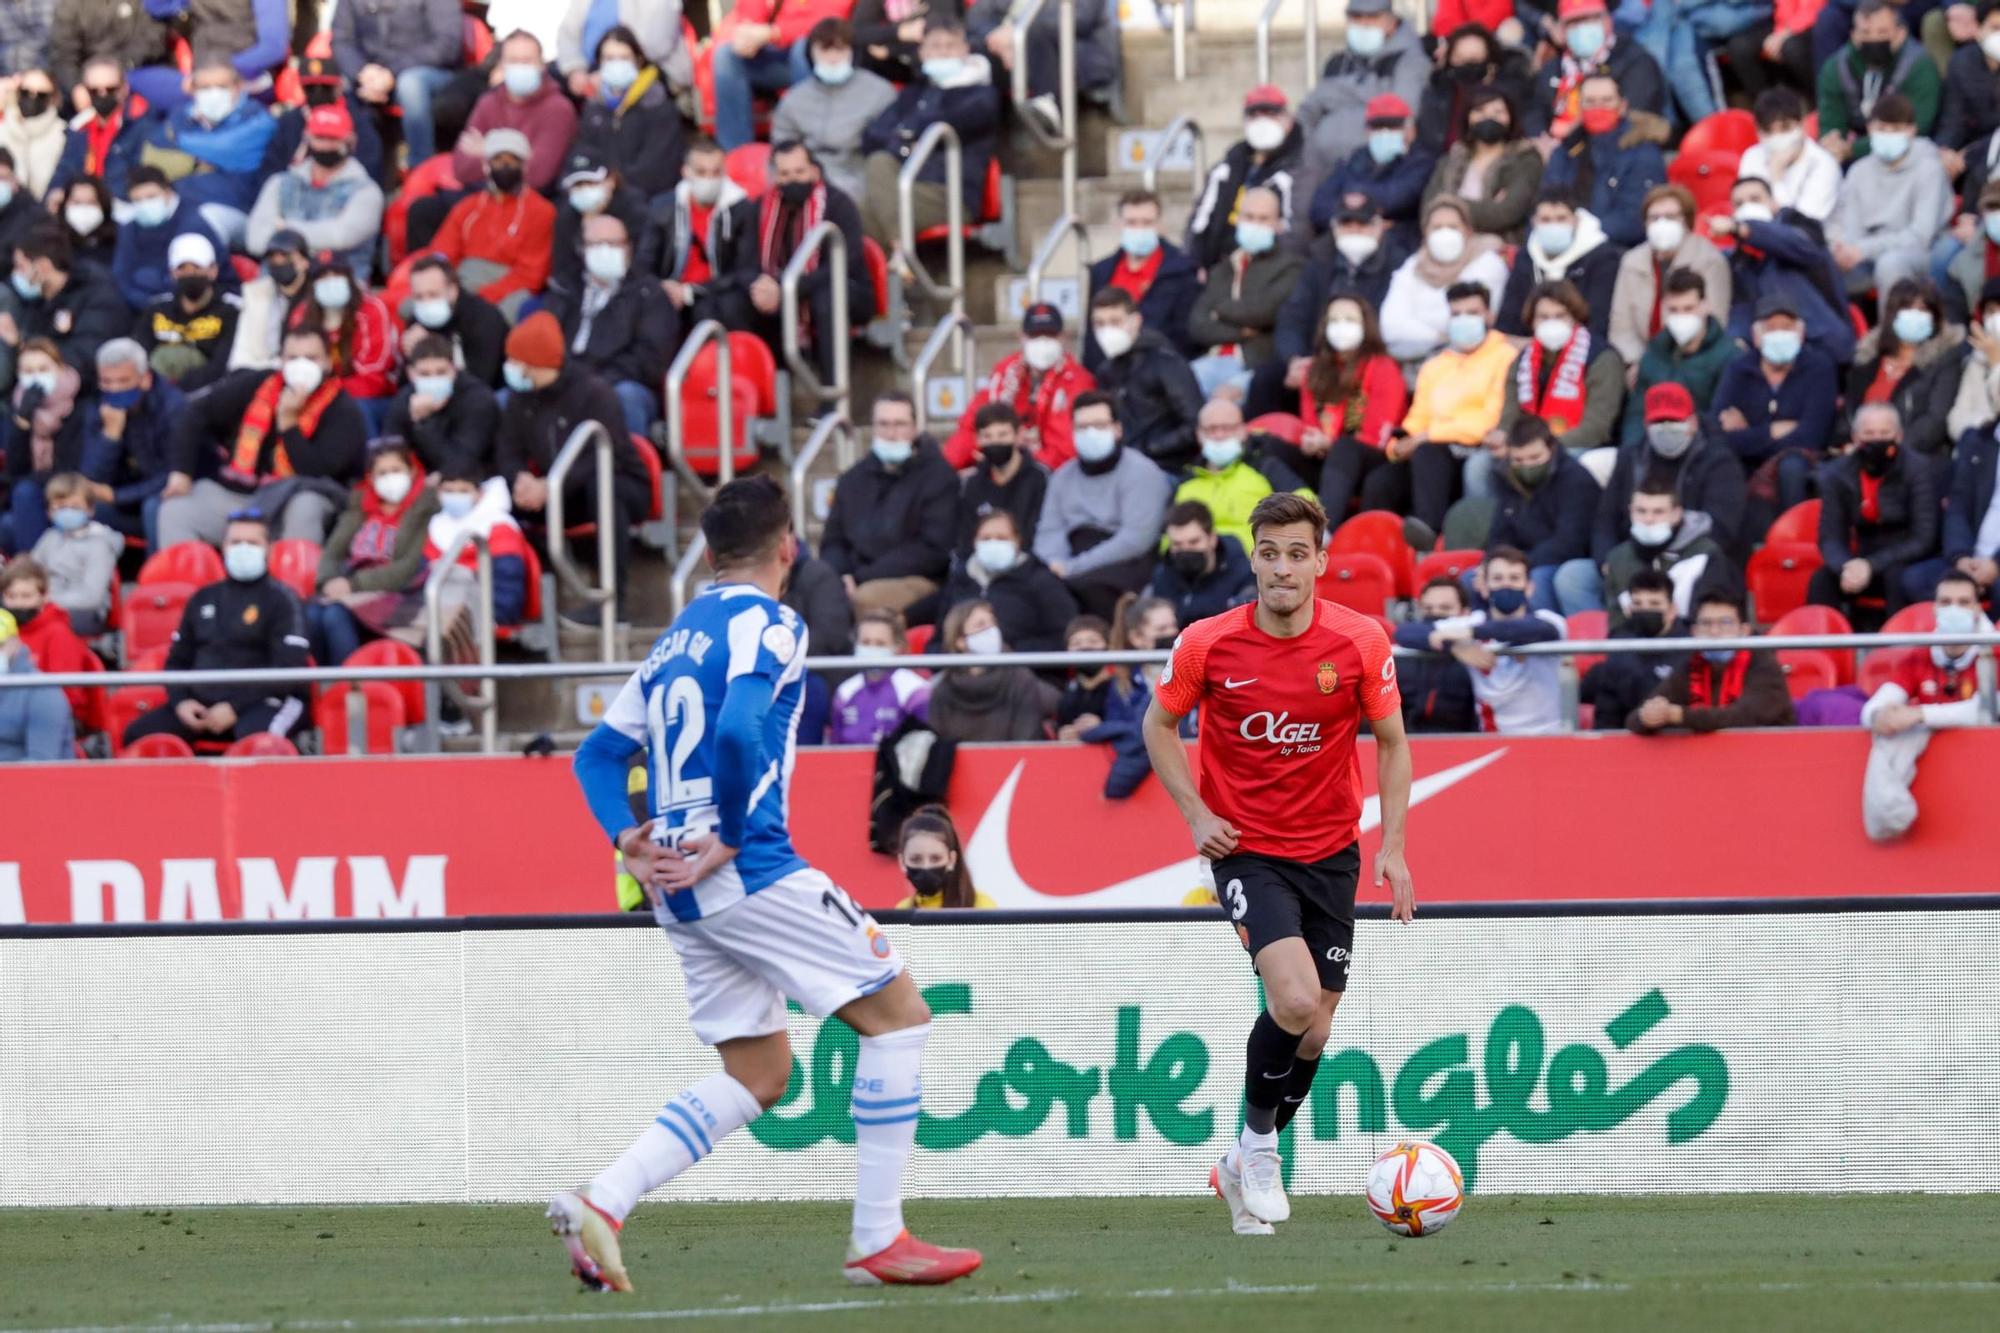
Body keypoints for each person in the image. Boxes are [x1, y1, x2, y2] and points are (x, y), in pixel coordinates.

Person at [561, 472, 982, 1287]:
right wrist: (731, 830)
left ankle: (604, 1200)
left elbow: (597, 756)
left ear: (710, 553)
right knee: (900, 1017)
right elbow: (739, 727)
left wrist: (627, 841)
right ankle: (877, 1238)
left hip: (675, 888)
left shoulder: (674, 637)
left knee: (759, 1074)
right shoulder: (774, 623)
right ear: (787, 547)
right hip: (749, 867)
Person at [1142, 491, 1414, 1236]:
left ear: (1322, 561)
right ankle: (1260, 1149)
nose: (1283, 568)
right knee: (1293, 1001)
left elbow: (1392, 741)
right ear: (1253, 558)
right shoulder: (1207, 643)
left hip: (1331, 851)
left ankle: (1234, 1162)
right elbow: (1158, 725)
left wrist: (1391, 843)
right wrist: (1198, 815)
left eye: (1299, 553)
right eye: (1270, 552)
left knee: (1316, 1029)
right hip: (1247, 849)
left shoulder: (1360, 642)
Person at [494, 312, 653, 607]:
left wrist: (551, 486)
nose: (510, 367)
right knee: (495, 497)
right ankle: (516, 603)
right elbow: (508, 449)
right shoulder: (520, 398)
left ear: (533, 364)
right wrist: (520, 480)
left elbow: (607, 455)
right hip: (553, 491)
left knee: (604, 489)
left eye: (515, 360)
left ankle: (612, 601)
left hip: (616, 485)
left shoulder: (595, 393)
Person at [158, 326, 369, 548]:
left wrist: (289, 425)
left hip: (299, 495)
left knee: (306, 507)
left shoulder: (344, 409)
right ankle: (191, 579)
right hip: (242, 493)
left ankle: (294, 579)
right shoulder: (258, 383)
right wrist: (180, 472)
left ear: (327, 361)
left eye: (311, 358)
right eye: (293, 358)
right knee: (176, 509)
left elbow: (316, 472)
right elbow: (195, 412)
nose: (301, 365)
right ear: (281, 361)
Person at [121, 511, 313, 748]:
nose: (243, 549)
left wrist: (234, 706)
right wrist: (182, 703)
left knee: (260, 744)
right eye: (236, 542)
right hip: (202, 704)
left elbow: (288, 671)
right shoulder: (203, 597)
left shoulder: (284, 599)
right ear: (224, 547)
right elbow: (177, 662)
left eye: (252, 543)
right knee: (137, 736)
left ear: (269, 549)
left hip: (268, 700)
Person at [409, 29, 577, 250]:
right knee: (424, 210)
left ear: (541, 65)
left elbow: (537, 176)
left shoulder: (558, 108)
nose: (520, 67)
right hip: (483, 193)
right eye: (513, 61)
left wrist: (487, 149)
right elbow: (462, 168)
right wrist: (513, 156)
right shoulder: (489, 101)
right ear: (502, 65)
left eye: (527, 60)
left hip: (529, 202)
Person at [1860, 570, 1990, 841]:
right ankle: (1890, 813)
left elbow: (1986, 712)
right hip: (1940, 789)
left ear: (1978, 609)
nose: (1954, 609)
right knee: (1887, 737)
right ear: (1934, 609)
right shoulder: (1919, 656)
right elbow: (1873, 708)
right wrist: (1881, 716)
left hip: (1987, 778)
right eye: (1946, 602)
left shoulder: (1995, 651)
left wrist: (1919, 714)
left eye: (1964, 603)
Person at [1381, 281, 1516, 532]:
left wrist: (1426, 436)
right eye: (1456, 314)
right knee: (1383, 477)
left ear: (1490, 315)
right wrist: (1398, 446)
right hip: (1431, 448)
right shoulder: (1435, 365)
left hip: (1475, 447)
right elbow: (1417, 417)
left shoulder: (1506, 357)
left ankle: (1429, 539)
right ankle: (1378, 550)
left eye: (1472, 313)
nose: (1463, 320)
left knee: (1428, 454)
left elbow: (1489, 421)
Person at [858, 20, 1002, 252]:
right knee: (858, 209)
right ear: (922, 53)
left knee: (876, 180)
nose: (943, 52)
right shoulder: (914, 93)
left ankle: (900, 254)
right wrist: (906, 144)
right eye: (935, 46)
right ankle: (897, 260)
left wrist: (907, 135)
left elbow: (953, 122)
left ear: (966, 50)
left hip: (950, 195)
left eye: (950, 46)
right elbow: (872, 137)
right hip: (905, 190)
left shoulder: (981, 94)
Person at [1252, 201, 1406, 417]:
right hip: (1318, 357)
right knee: (1266, 378)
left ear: (1379, 227)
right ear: (1335, 228)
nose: (1354, 231)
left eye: (1362, 224)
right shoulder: (1319, 263)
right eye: (1347, 224)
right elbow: (1293, 316)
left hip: (1370, 360)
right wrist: (1295, 359)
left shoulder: (1399, 265)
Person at [1034, 390, 1175, 617]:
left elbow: (1136, 539)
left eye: (1099, 425)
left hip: (1125, 561)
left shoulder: (1144, 473)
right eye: (1082, 427)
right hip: (1071, 555)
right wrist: (1056, 563)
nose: (1090, 433)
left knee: (1087, 590)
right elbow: (1049, 530)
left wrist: (1074, 568)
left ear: (1117, 429)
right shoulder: (1062, 477)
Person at [742, 141, 870, 390]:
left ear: (814, 171)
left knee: (827, 298)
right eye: (785, 174)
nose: (793, 180)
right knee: (737, 303)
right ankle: (768, 394)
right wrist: (762, 287)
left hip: (846, 290)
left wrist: (788, 288)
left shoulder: (838, 204)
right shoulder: (761, 207)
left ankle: (832, 394)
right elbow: (746, 261)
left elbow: (845, 263)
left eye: (799, 172)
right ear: (774, 176)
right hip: (781, 291)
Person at [305, 442, 443, 667]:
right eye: (382, 473)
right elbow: (333, 552)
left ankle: (350, 688)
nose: (390, 478)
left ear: (412, 471)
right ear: (371, 477)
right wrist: (329, 581)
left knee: (334, 615)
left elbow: (408, 566)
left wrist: (353, 585)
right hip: (352, 584)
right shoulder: (361, 505)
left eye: (396, 470)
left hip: (401, 591)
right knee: (312, 612)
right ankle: (320, 691)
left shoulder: (424, 508)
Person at [543, 211, 678, 440]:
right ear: (582, 249)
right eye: (596, 244)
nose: (605, 251)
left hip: (620, 382)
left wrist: (592, 380)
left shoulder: (649, 294)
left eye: (613, 243)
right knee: (507, 398)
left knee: (625, 397)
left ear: (628, 248)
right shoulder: (563, 288)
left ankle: (625, 472)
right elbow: (545, 340)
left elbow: (650, 359)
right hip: (564, 380)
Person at [821, 392, 958, 615]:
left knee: (865, 599)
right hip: (854, 577)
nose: (891, 433)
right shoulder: (853, 479)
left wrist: (861, 577)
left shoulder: (939, 477)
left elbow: (933, 551)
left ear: (914, 428)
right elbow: (833, 541)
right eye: (883, 424)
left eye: (900, 424)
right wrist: (841, 574)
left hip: (917, 579)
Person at [1711, 294, 1844, 512]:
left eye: (1787, 327)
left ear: (1800, 335)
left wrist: (1749, 433)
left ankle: (1792, 537)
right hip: (1745, 462)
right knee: (1721, 463)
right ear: (1756, 336)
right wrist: (1772, 430)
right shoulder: (1738, 368)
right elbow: (1718, 433)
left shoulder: (1820, 368)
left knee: (1792, 466)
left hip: (1798, 462)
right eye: (1771, 328)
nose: (1780, 334)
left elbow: (1810, 437)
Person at [1295, 0, 1430, 213]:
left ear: (1391, 22)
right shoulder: (1338, 62)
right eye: (1356, 18)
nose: (1364, 24)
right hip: (1321, 167)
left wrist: (1340, 95)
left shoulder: (1410, 60)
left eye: (1372, 17)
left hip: (1373, 168)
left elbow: (1400, 111)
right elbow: (1308, 110)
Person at [1810, 403, 1940, 623]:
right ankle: (1821, 652)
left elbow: (1923, 538)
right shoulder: (1836, 473)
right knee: (1822, 579)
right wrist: (1846, 567)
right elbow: (1830, 536)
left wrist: (1872, 565)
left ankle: (1896, 651)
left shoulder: (1919, 469)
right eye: (1868, 434)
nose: (1876, 440)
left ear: (1898, 436)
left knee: (1896, 577)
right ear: (1855, 437)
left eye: (1884, 433)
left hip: (1907, 557)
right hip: (1860, 559)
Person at [1422, 545, 1569, 734]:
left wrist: (1469, 634)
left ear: (1529, 587)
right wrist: (1453, 647)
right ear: (1484, 588)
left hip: (1547, 737)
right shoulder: (1473, 622)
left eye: (1514, 578)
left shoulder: (1550, 620)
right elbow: (1407, 633)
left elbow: (1523, 629)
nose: (1506, 585)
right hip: (1493, 737)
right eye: (1498, 579)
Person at [1711, 175, 1857, 365]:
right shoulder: (1738, 260)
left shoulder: (1801, 225)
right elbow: (1741, 309)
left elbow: (1799, 247)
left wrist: (1745, 229)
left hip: (1824, 346)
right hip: (1770, 355)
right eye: (1739, 204)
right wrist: (1737, 341)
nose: (1747, 207)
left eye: (1755, 199)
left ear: (1773, 204)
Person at [1827, 94, 1953, 313]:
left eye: (1895, 130)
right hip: (1866, 252)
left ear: (1911, 131)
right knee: (1822, 261)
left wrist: (1863, 249)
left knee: (1890, 264)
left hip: (1923, 253)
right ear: (1869, 130)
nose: (1887, 135)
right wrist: (1845, 250)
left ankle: (1891, 340)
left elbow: (1921, 235)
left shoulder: (1929, 169)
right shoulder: (1859, 171)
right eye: (1881, 129)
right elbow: (1851, 228)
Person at [1597, 382, 1748, 563]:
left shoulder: (1720, 462)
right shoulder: (1631, 457)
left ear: (1693, 422)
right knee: (1574, 577)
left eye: (1674, 421)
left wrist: (1669, 562)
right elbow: (1605, 520)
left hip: (1692, 561)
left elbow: (1721, 528)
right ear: (1646, 424)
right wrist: (1607, 561)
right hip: (1631, 554)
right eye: (1659, 422)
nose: (1666, 427)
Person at [244, 102, 387, 283]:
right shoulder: (280, 183)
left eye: (333, 139)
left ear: (350, 141)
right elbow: (255, 240)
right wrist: (317, 237)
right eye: (320, 137)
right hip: (277, 284)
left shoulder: (367, 191)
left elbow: (342, 236)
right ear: (307, 138)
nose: (326, 145)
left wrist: (284, 228)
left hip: (339, 286)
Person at [427, 127, 559, 321]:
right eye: (498, 160)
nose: (505, 166)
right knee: (414, 304)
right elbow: (442, 253)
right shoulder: (468, 207)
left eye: (512, 161)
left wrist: (482, 297)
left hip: (512, 287)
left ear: (524, 166)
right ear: (486, 165)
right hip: (462, 280)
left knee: (497, 316)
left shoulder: (542, 211)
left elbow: (531, 275)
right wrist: (446, 287)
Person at [1297, 292, 1409, 519]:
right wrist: (1311, 441)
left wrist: (1330, 444)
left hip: (1374, 457)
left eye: (1350, 320)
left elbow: (1378, 435)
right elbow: (1309, 423)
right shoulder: (1314, 370)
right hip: (1328, 459)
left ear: (1365, 326)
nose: (1341, 327)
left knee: (1345, 448)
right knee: (1269, 449)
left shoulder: (1382, 367)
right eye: (1334, 321)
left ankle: (1323, 529)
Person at [141, 60, 275, 248]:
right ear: (192, 88)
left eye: (221, 86)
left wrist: (179, 142)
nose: (213, 93)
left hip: (235, 210)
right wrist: (197, 161)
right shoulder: (181, 114)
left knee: (201, 221)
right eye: (205, 87)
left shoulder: (257, 116)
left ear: (238, 86)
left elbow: (229, 147)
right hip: (180, 202)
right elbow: (154, 154)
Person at [942, 302, 1092, 470]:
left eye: (1050, 335)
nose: (1042, 342)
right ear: (1021, 337)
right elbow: (972, 426)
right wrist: (946, 469)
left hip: (1049, 476)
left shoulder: (1078, 381)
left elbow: (1064, 452)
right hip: (1004, 466)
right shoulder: (1006, 373)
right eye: (1035, 336)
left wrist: (1014, 457)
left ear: (1063, 338)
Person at [1185, 188, 1301, 400]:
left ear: (1278, 225)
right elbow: (1198, 324)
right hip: (1211, 357)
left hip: (1254, 364)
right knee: (1174, 384)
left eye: (1263, 218)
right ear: (1237, 219)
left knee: (1214, 394)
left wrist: (1218, 309)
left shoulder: (1290, 267)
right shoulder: (1223, 268)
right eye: (1249, 217)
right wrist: (1243, 332)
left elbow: (1262, 312)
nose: (1255, 224)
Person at [770, 18, 899, 204]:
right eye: (824, 50)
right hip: (805, 178)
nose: (832, 58)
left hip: (859, 178)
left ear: (853, 53)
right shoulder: (794, 99)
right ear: (811, 54)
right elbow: (781, 147)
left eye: (839, 50)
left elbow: (886, 151)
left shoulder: (880, 92)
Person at [637, 137, 760, 332]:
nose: (709, 179)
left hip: (717, 295)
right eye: (701, 172)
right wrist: (663, 287)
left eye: (716, 172)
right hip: (670, 291)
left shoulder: (741, 210)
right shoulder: (663, 207)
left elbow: (743, 270)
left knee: (718, 308)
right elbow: (644, 261)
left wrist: (691, 292)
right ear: (686, 171)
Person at [1485, 414, 1604, 614]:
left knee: (1537, 581)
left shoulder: (1576, 480)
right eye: (1518, 460)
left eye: (1535, 458)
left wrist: (1520, 567)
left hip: (1565, 561)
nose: (1527, 466)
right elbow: (1500, 533)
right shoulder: (1507, 478)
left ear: (1552, 449)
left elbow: (1570, 542)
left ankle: (1543, 637)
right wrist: (1491, 564)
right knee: (1474, 578)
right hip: (1523, 562)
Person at [1629, 590, 1795, 733]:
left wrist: (1678, 715)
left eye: (1725, 623)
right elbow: (1634, 719)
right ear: (1694, 631)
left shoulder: (1764, 665)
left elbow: (1743, 717)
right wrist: (1647, 717)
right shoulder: (1690, 665)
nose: (1714, 632)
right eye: (1706, 624)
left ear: (1744, 631)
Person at [1845, 279, 1970, 466]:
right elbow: (1848, 411)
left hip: (1913, 461)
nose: (1915, 316)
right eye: (1907, 309)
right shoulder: (1868, 357)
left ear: (1934, 316)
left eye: (1922, 310)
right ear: (1892, 315)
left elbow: (1935, 422)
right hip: (1859, 457)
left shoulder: (1944, 360)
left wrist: (1889, 451)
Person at [1497, 280, 1627, 458]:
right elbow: (1509, 419)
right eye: (1543, 317)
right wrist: (1503, 439)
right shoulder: (1522, 360)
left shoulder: (1601, 357)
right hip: (1527, 447)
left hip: (1581, 446)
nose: (1552, 323)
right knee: (1480, 466)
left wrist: (1543, 447)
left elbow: (1596, 428)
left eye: (1560, 316)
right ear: (1532, 321)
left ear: (1574, 318)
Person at [1538, 73, 1667, 251]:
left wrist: (1581, 234)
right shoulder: (1566, 150)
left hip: (1614, 250)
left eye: (1606, 100)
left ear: (1622, 106)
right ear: (1579, 107)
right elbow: (1545, 201)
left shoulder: (1643, 153)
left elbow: (1635, 220)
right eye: (1590, 101)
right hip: (1560, 243)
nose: (1598, 108)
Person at [1607, 186, 1731, 368]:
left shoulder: (1710, 260)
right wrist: (1636, 363)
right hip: (1639, 360)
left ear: (1686, 221)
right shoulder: (1632, 261)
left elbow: (1715, 321)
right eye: (1654, 218)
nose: (1661, 224)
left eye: (1671, 217)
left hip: (1694, 360)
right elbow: (1621, 324)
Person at [1187, 85, 1306, 273]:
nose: (1262, 122)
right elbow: (1200, 221)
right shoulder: (1229, 166)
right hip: (1222, 269)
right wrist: (1196, 263)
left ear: (1288, 121)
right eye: (1254, 115)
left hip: (1273, 272)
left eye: (1271, 114)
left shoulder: (1302, 168)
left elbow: (1297, 233)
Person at [331, 0, 465, 166]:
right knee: (335, 82)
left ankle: (421, 170)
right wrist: (362, 72)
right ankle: (352, 174)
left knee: (410, 84)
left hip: (430, 73)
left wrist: (391, 73)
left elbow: (446, 45)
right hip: (369, 75)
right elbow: (341, 40)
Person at [1601, 478, 1744, 633]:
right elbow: (1616, 622)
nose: (1648, 519)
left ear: (1676, 514)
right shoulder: (1617, 559)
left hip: (1689, 648)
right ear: (1630, 512)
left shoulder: (1706, 555)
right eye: (1641, 511)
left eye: (1658, 512)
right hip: (1633, 648)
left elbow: (1710, 617)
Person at [77, 336, 182, 547]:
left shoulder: (173, 407)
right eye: (107, 382)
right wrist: (110, 435)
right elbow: (91, 478)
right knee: (82, 508)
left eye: (123, 381)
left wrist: (117, 496)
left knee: (155, 507)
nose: (114, 389)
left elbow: (170, 476)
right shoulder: (98, 406)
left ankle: (157, 576)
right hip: (124, 501)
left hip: (165, 498)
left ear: (145, 379)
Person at [1084, 189, 1200, 375]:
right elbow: (1091, 334)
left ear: (1160, 226)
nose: (1139, 229)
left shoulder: (1182, 271)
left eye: (1147, 223)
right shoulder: (1101, 272)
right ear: (1119, 225)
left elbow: (1186, 337)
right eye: (1131, 222)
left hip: (1157, 376)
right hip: (1107, 372)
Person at [1088, 287, 1204, 471]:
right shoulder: (1105, 371)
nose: (1106, 330)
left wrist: (1151, 448)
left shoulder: (1165, 362)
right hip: (1123, 466)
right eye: (1099, 324)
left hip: (1167, 466)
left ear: (1135, 321)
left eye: (1115, 321)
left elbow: (1195, 423)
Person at [1379, 196, 1509, 360]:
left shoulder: (1487, 262)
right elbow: (1390, 325)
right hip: (1414, 355)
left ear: (1467, 230)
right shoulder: (1413, 265)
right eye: (1437, 227)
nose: (1445, 233)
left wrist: (1420, 322)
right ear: (1426, 232)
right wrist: (1437, 336)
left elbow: (1471, 316)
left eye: (1453, 227)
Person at [1173, 397, 1310, 552]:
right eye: (1211, 429)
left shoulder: (1265, 467)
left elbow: (1305, 502)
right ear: (1199, 434)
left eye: (1227, 428)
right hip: (1197, 566)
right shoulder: (1186, 481)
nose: (1219, 435)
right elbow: (1170, 536)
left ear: (1243, 431)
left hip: (1256, 565)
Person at [1619, 269, 1737, 446]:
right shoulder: (1654, 353)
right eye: (1673, 310)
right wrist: (1633, 454)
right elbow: (1637, 412)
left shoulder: (1729, 356)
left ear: (1705, 306)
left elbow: (1720, 419)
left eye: (1689, 308)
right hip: (1650, 449)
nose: (1681, 316)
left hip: (1700, 453)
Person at [935, 507, 1076, 652]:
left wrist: (1010, 651)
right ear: (975, 541)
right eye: (985, 539)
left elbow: (1064, 638)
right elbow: (937, 641)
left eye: (1001, 538)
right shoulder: (959, 582)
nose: (993, 544)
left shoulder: (1042, 581)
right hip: (961, 670)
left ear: (1017, 541)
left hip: (1022, 671)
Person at [1422, 84, 1544, 252]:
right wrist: (1487, 206)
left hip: (1500, 248)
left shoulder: (1525, 159)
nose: (1488, 118)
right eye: (1480, 111)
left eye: (1498, 112)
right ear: (1467, 117)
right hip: (1447, 246)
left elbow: (1505, 213)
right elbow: (1428, 210)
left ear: (1511, 117)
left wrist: (1449, 206)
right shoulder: (1450, 159)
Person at [568, 26, 683, 204]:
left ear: (638, 61)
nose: (616, 64)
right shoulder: (593, 108)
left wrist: (616, 186)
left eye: (624, 58)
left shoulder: (659, 105)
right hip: (600, 199)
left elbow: (658, 169)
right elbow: (585, 155)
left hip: (647, 202)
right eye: (609, 58)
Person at [1817, 0, 1941, 165]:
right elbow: (1831, 123)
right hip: (1850, 153)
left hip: (1906, 150)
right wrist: (1834, 144)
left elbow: (1919, 126)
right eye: (1865, 33)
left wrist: (1853, 149)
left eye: (1882, 32)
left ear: (1901, 33)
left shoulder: (1919, 66)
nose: (1874, 39)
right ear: (1854, 35)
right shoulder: (1836, 67)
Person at [9, 222, 133, 386]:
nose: (17, 275)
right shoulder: (35, 301)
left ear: (43, 266)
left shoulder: (98, 296)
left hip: (86, 393)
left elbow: (87, 356)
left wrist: (27, 347)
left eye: (21, 267)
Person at [1495, 187, 1623, 344]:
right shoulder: (1526, 257)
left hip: (1584, 349)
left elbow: (1598, 321)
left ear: (1576, 220)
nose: (1553, 226)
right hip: (1529, 347)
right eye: (1546, 220)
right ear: (1534, 222)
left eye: (1561, 219)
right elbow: (1508, 321)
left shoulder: (1602, 257)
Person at [925, 597, 1060, 741]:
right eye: (981, 625)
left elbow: (1027, 739)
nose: (991, 631)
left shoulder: (1020, 679)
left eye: (993, 623)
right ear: (960, 641)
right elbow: (937, 744)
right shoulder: (943, 689)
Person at [296, 258, 401, 438]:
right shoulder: (303, 315)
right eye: (324, 279)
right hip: (318, 394)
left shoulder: (371, 309)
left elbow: (374, 377)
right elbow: (297, 361)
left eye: (337, 277)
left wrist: (328, 393)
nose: (331, 284)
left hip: (372, 398)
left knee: (354, 408)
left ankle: (371, 462)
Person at [256, 57, 390, 197]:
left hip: (342, 195)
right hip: (292, 195)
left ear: (338, 87)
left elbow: (370, 168)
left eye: (325, 88)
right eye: (310, 88)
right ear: (302, 88)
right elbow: (270, 168)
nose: (318, 93)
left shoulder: (357, 118)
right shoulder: (291, 120)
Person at [1308, 93, 1436, 240]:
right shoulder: (1353, 160)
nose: (1384, 132)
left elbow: (1396, 199)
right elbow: (1319, 207)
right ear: (1367, 131)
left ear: (1411, 130)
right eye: (1377, 126)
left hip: (1397, 242)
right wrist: (1355, 222)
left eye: (1393, 126)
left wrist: (1351, 196)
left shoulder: (1422, 162)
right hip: (1346, 239)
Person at [0, 553, 101, 730]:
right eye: (11, 596)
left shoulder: (59, 633)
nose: (18, 603)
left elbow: (69, 696)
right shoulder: (6, 631)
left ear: (44, 596)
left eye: (26, 596)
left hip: (52, 719)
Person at [2, 339, 84, 554]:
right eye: (28, 371)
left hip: (73, 493)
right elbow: (15, 470)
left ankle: (32, 576)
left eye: (43, 369)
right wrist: (23, 422)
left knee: (25, 492)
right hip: (34, 495)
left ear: (59, 368)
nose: (36, 377)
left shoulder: (80, 404)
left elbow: (73, 467)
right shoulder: (20, 405)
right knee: (9, 521)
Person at [111, 165, 225, 312]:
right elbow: (121, 275)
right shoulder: (130, 227)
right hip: (140, 305)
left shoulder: (193, 224)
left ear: (168, 193)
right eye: (137, 200)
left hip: (192, 304)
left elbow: (190, 276)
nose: (144, 204)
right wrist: (146, 304)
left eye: (151, 197)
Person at [386, 334, 502, 479]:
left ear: (454, 370)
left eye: (441, 372)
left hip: (475, 480)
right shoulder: (404, 399)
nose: (433, 379)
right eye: (424, 374)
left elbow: (462, 461)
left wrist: (424, 423)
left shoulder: (478, 399)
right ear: (411, 374)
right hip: (421, 479)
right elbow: (390, 452)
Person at [1414, 23, 1536, 158]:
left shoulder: (1510, 96)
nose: (1466, 64)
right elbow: (1426, 143)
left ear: (1490, 63)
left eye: (1474, 59)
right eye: (1459, 58)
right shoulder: (1439, 93)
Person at [135, 231, 240, 386]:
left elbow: (221, 366)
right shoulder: (156, 309)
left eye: (197, 267)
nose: (189, 273)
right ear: (172, 273)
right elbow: (138, 354)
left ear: (213, 270)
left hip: (206, 391)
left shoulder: (231, 311)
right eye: (181, 268)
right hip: (156, 391)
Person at [23, 473, 119, 634]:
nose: (67, 512)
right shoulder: (49, 538)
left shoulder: (100, 545)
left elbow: (91, 597)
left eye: (75, 507)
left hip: (85, 612)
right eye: (60, 507)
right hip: (45, 604)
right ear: (49, 512)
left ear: (90, 510)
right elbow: (30, 571)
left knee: (43, 623)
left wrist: (46, 601)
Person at [51, 57, 151, 203]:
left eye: (110, 89)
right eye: (94, 91)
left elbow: (142, 176)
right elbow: (63, 171)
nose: (102, 95)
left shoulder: (140, 125)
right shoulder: (78, 128)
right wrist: (55, 195)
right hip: (79, 205)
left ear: (124, 88)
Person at [399, 255, 508, 389]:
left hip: (489, 394)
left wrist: (432, 347)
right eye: (419, 297)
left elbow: (482, 379)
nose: (426, 302)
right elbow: (404, 386)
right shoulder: (417, 320)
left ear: (453, 290)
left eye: (433, 294)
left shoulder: (483, 318)